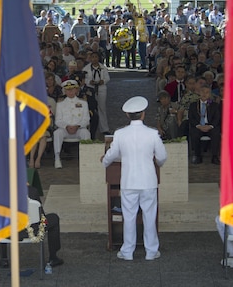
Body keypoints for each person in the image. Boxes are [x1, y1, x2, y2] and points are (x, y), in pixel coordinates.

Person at [101, 96, 167, 261]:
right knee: (149, 216)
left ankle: (127, 251)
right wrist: (157, 162)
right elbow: (162, 157)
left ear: (127, 115)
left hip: (129, 181)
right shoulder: (152, 133)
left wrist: (105, 161)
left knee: (129, 217)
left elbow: (111, 155)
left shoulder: (120, 133)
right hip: (148, 180)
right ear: (143, 114)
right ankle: (151, 251)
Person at [53, 80, 90, 169]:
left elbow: (86, 119)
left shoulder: (83, 103)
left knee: (86, 133)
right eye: (68, 90)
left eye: (72, 89)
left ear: (76, 90)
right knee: (57, 133)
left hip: (79, 129)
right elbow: (58, 120)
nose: (70, 92)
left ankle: (86, 158)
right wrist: (66, 126)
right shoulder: (60, 104)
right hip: (65, 129)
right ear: (64, 91)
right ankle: (57, 158)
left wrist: (78, 126)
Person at [188, 84, 221, 165]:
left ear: (209, 94)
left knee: (216, 132)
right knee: (194, 133)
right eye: (202, 92)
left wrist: (210, 126)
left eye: (207, 92)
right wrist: (199, 126)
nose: (204, 94)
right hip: (198, 126)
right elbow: (191, 118)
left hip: (210, 126)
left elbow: (217, 118)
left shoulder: (214, 105)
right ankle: (197, 156)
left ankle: (215, 156)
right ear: (199, 93)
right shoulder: (193, 105)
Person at [83, 51, 110, 135]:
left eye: (96, 57)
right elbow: (84, 79)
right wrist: (89, 82)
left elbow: (107, 78)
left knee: (102, 108)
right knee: (90, 108)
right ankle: (89, 127)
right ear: (90, 58)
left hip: (101, 89)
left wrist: (103, 81)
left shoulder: (103, 68)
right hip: (90, 89)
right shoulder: (86, 69)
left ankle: (104, 128)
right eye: (93, 57)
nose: (94, 59)